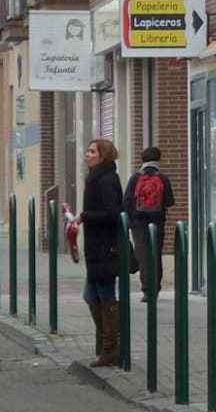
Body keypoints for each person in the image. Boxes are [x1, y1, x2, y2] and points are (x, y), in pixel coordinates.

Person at [75, 138, 124, 368]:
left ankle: (111, 349)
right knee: (91, 296)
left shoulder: (106, 180)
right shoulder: (96, 178)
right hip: (96, 248)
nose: (87, 154)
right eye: (88, 150)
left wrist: (85, 216)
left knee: (104, 294)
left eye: (92, 151)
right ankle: (111, 345)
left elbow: (113, 214)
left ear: (102, 156)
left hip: (105, 248)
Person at [123, 146, 175, 302]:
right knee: (155, 253)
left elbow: (126, 201)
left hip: (138, 222)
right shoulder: (163, 178)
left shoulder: (135, 178)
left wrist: (129, 219)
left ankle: (146, 290)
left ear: (143, 159)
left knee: (142, 254)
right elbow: (170, 201)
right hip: (157, 221)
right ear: (158, 159)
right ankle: (156, 288)